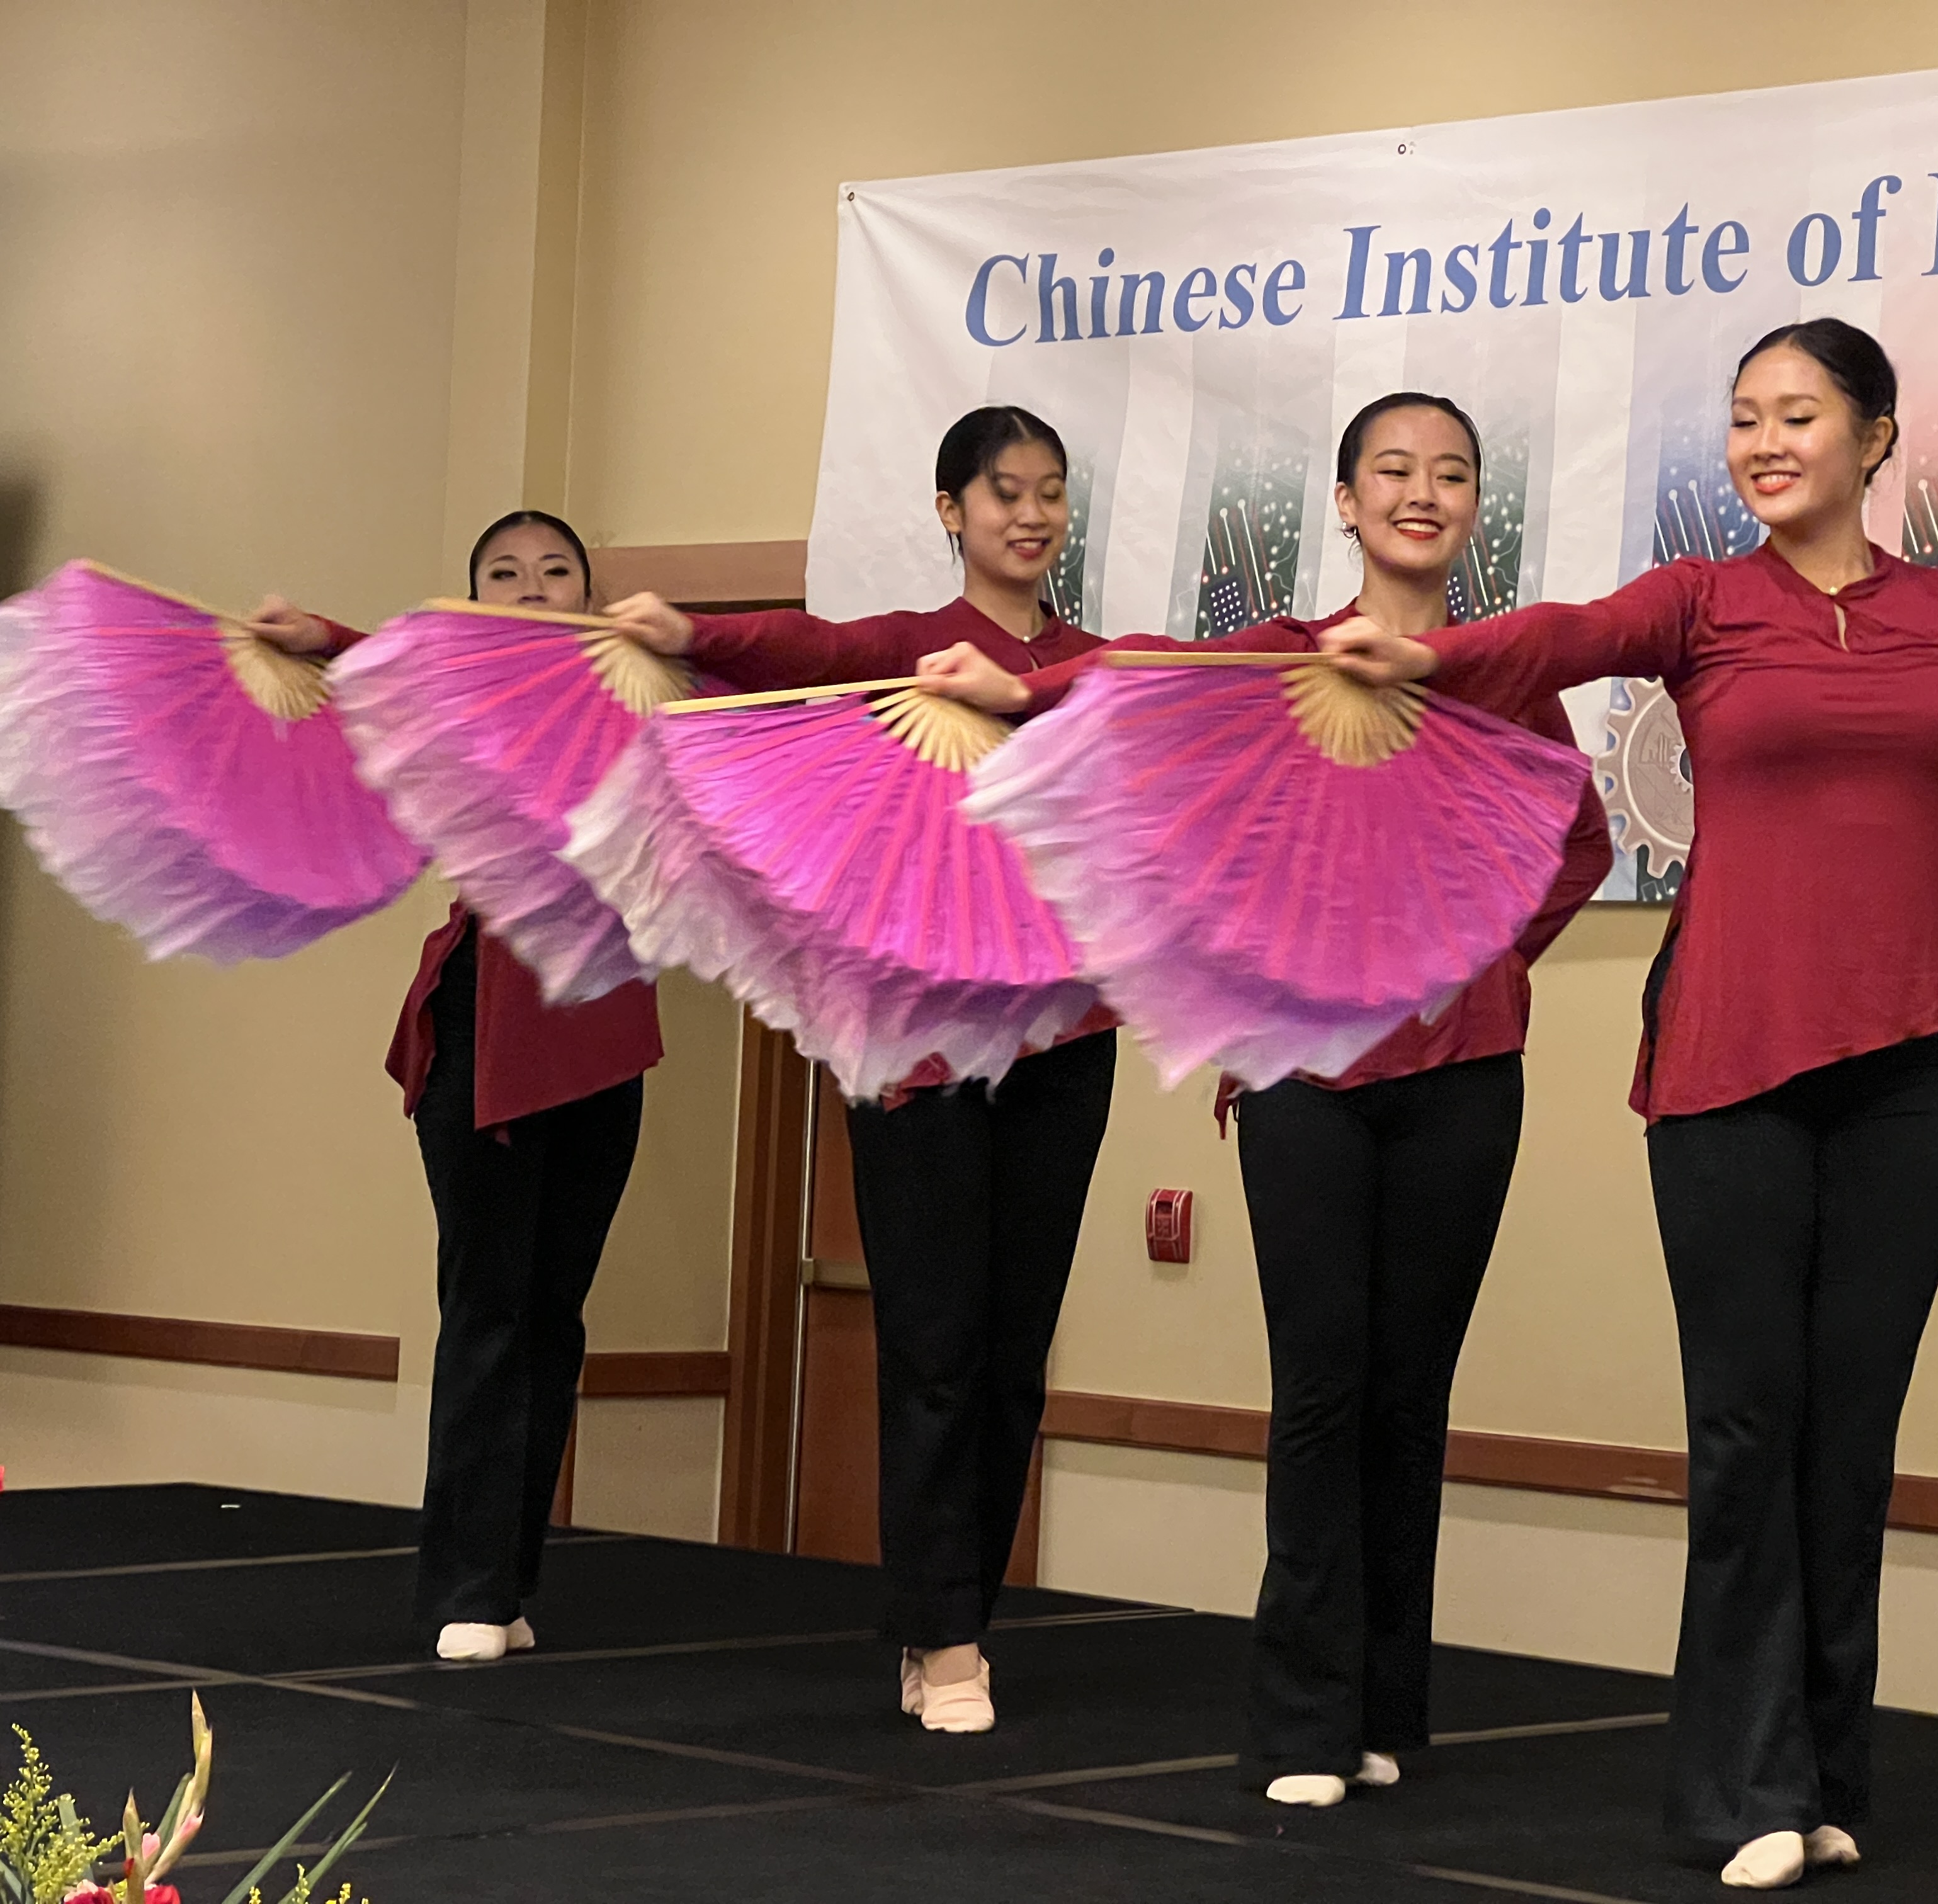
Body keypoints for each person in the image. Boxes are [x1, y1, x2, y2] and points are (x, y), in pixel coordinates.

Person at [1319, 323, 1938, 1889]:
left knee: (1851, 1440)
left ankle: (1829, 1776)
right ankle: (1745, 1789)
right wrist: (1432, 658)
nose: (1765, 443)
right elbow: (1568, 635)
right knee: (1744, 1430)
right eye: (1744, 420)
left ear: (1876, 437)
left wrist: (1937, 956)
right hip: (1728, 1065)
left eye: (1799, 415)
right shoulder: (1705, 601)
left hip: (1906, 1083)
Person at [919, 392, 1612, 1806]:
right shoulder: (1284, 662)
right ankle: (1301, 1721)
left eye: (1452, 474)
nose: (1423, 493)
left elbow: (1578, 842)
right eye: (1393, 471)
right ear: (1347, 504)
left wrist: (1471, 959)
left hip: (1466, 1081)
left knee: (1410, 1399)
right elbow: (1139, 683)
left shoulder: (1502, 677)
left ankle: (1383, 1709)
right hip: (1305, 1080)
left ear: (1474, 508)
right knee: (1321, 1392)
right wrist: (1022, 694)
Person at [608, 405, 1116, 1735]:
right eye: (1004, 492)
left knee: (1013, 1353)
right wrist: (693, 632)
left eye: (1050, 493)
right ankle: (941, 1636)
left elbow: (1166, 700)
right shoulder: (911, 650)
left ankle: (961, 1610)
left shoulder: (1085, 668)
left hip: (1065, 1043)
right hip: (924, 1053)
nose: (1031, 515)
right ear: (952, 511)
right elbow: (807, 650)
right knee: (937, 1340)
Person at [248, 510, 663, 1663]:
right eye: (506, 576)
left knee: (555, 1316)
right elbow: (388, 666)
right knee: (489, 1308)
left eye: (556, 573)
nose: (532, 590)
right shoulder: (466, 694)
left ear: (590, 597)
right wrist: (323, 636)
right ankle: (465, 1587)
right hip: (491, 1026)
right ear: (476, 601)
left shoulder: (637, 700)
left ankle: (510, 1580)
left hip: (606, 1036)